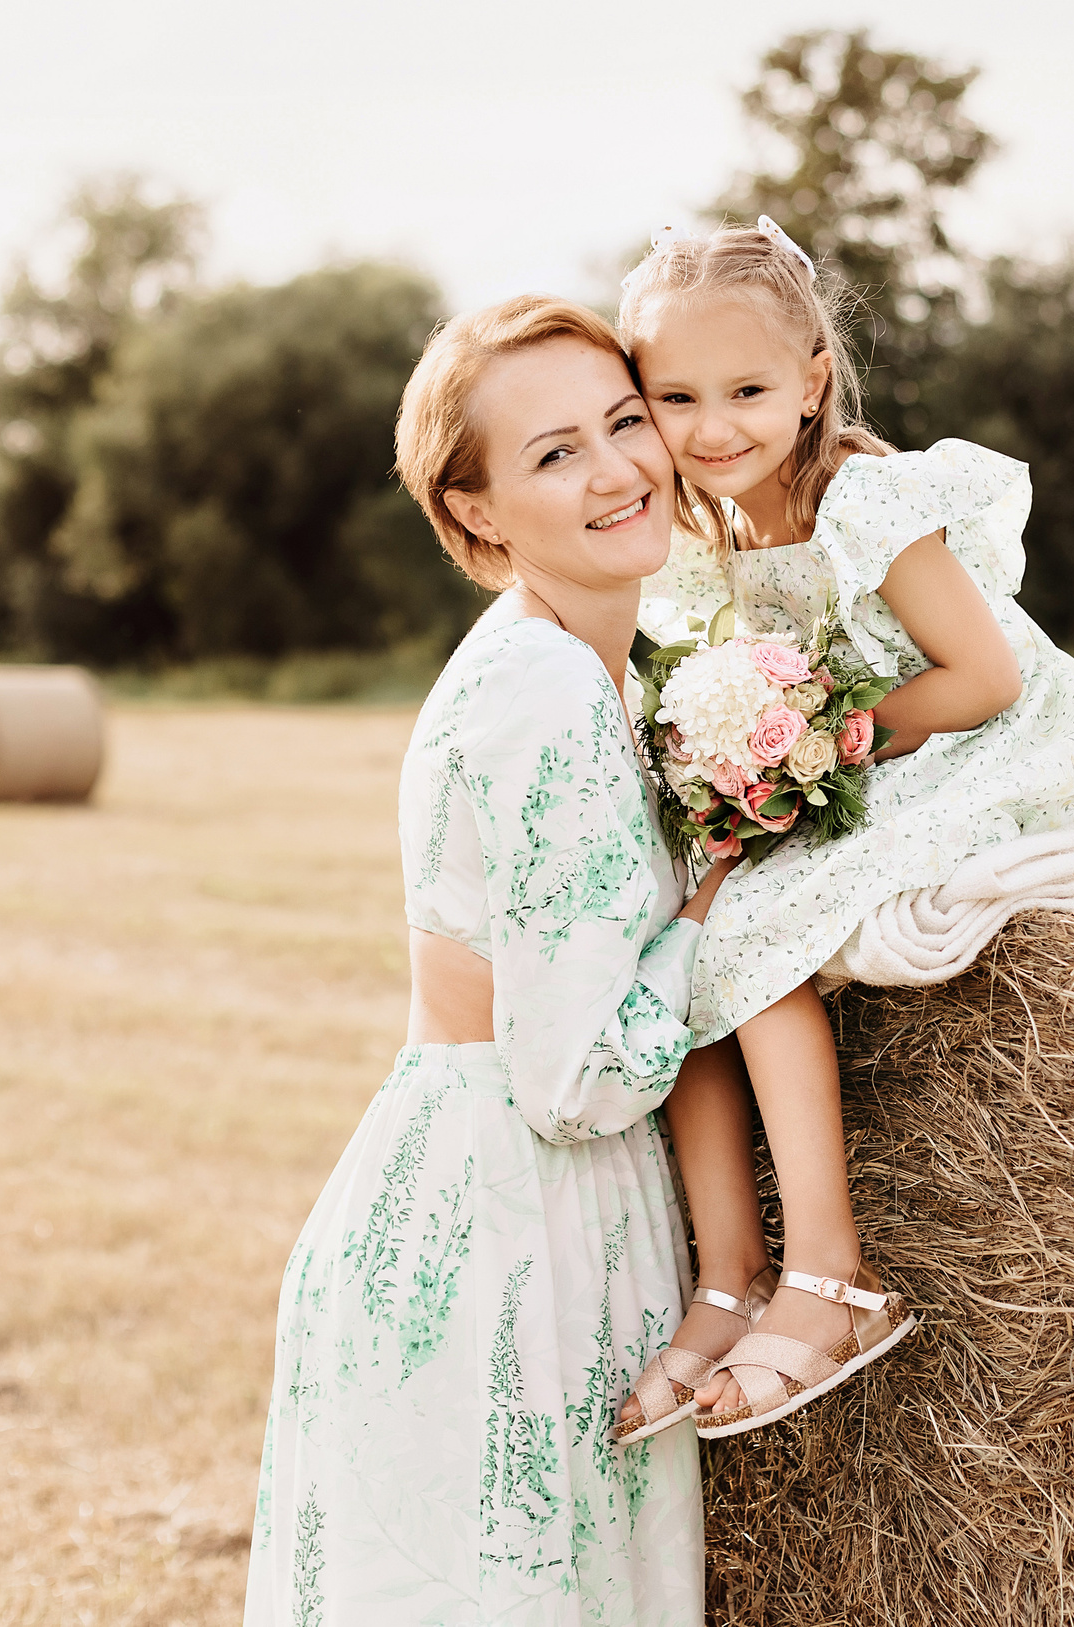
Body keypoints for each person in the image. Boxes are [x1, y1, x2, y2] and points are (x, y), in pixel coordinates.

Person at [244, 296, 732, 1627]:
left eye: (627, 421)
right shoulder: (545, 689)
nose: (621, 467)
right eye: (555, 453)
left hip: (516, 1196)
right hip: (511, 1224)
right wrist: (728, 912)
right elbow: (574, 1072)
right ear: (477, 516)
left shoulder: (587, 667)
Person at [610, 219, 1074, 1441]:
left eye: (745, 390)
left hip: (966, 742)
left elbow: (983, 678)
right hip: (845, 754)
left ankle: (832, 1275)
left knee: (763, 922)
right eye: (674, 397)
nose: (712, 425)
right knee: (677, 932)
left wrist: (813, 742)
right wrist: (742, 768)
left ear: (810, 382)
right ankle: (727, 1278)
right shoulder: (713, 542)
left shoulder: (864, 498)